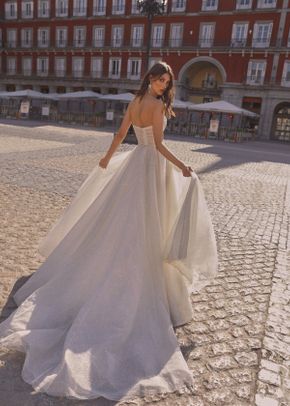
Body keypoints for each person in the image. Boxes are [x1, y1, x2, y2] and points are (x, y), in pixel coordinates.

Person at [0, 62, 218, 402]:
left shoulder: (134, 102)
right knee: (143, 224)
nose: (163, 85)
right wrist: (182, 166)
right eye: (160, 79)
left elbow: (121, 135)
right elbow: (158, 145)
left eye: (166, 81)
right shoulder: (157, 106)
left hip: (133, 166)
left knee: (122, 221)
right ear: (150, 78)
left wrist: (107, 159)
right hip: (150, 167)